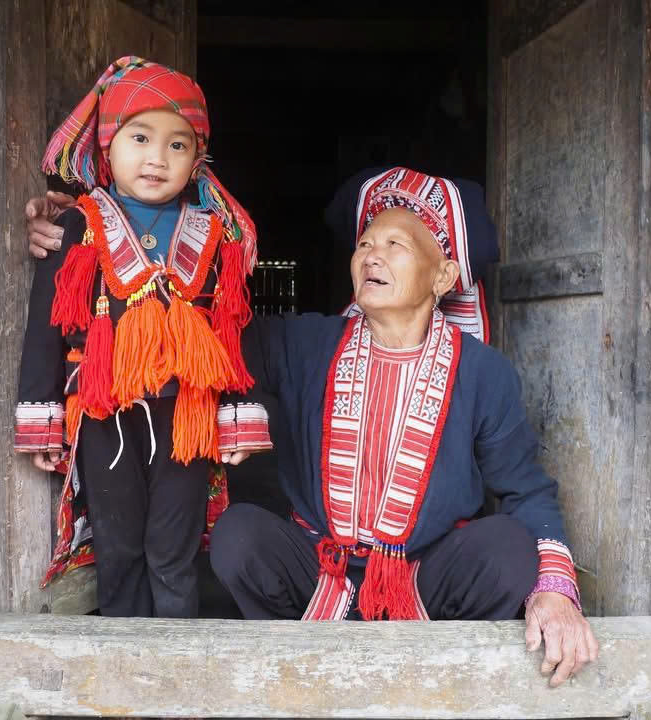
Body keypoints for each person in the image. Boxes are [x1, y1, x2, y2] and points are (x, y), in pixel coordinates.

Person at [211, 167, 598, 687]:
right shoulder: (305, 344)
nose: (372, 254)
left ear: (442, 277)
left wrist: (555, 593)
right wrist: (90, 228)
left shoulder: (482, 372)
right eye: (365, 243)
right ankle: (298, 667)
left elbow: (524, 490)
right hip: (319, 569)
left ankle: (433, 675)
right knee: (237, 536)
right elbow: (213, 332)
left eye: (396, 245)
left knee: (508, 549)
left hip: (424, 575)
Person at [13, 56, 270, 618]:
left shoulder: (213, 231)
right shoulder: (80, 224)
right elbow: (46, 324)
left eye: (178, 145)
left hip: (188, 416)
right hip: (107, 412)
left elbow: (232, 325)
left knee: (173, 550)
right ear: (108, 147)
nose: (157, 157)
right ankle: (123, 676)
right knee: (119, 546)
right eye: (140, 137)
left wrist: (240, 413)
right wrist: (40, 416)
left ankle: (175, 672)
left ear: (198, 158)